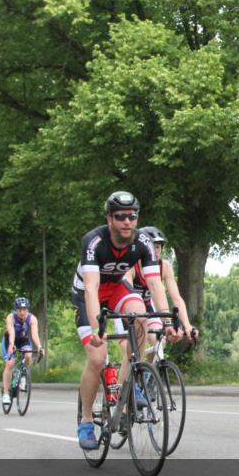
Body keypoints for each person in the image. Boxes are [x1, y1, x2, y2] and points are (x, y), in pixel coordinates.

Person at [73, 191, 179, 449]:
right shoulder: (94, 241)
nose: (127, 221)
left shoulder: (142, 241)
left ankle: (127, 385)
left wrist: (166, 321)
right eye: (120, 216)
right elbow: (90, 287)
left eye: (132, 216)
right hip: (90, 293)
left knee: (140, 315)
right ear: (109, 218)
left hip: (117, 288)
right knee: (97, 358)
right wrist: (99, 326)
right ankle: (86, 421)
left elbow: (154, 284)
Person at [116, 225, 195, 363]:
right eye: (152, 246)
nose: (155, 251)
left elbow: (176, 298)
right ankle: (127, 382)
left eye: (158, 247)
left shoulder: (164, 267)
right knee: (129, 352)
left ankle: (148, 377)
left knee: (159, 341)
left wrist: (187, 325)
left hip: (147, 306)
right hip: (126, 310)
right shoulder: (130, 266)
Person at [1, 297, 44, 409]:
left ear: (27, 310)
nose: (22, 312)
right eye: (19, 310)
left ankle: (23, 376)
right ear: (16, 310)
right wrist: (11, 344)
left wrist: (39, 346)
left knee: (28, 355)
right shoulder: (10, 317)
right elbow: (12, 333)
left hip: (23, 340)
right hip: (10, 340)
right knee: (10, 363)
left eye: (24, 309)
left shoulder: (32, 318)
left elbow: (34, 335)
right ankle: (6, 393)